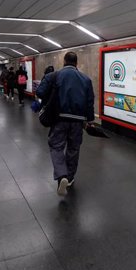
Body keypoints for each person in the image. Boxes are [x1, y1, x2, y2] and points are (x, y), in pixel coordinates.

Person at [36, 52, 95, 196]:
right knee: (73, 149)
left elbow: (40, 92)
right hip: (77, 121)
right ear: (76, 63)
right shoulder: (86, 79)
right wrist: (90, 120)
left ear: (64, 61)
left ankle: (61, 174)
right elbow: (89, 102)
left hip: (59, 119)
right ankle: (70, 178)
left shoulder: (53, 76)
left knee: (56, 146)